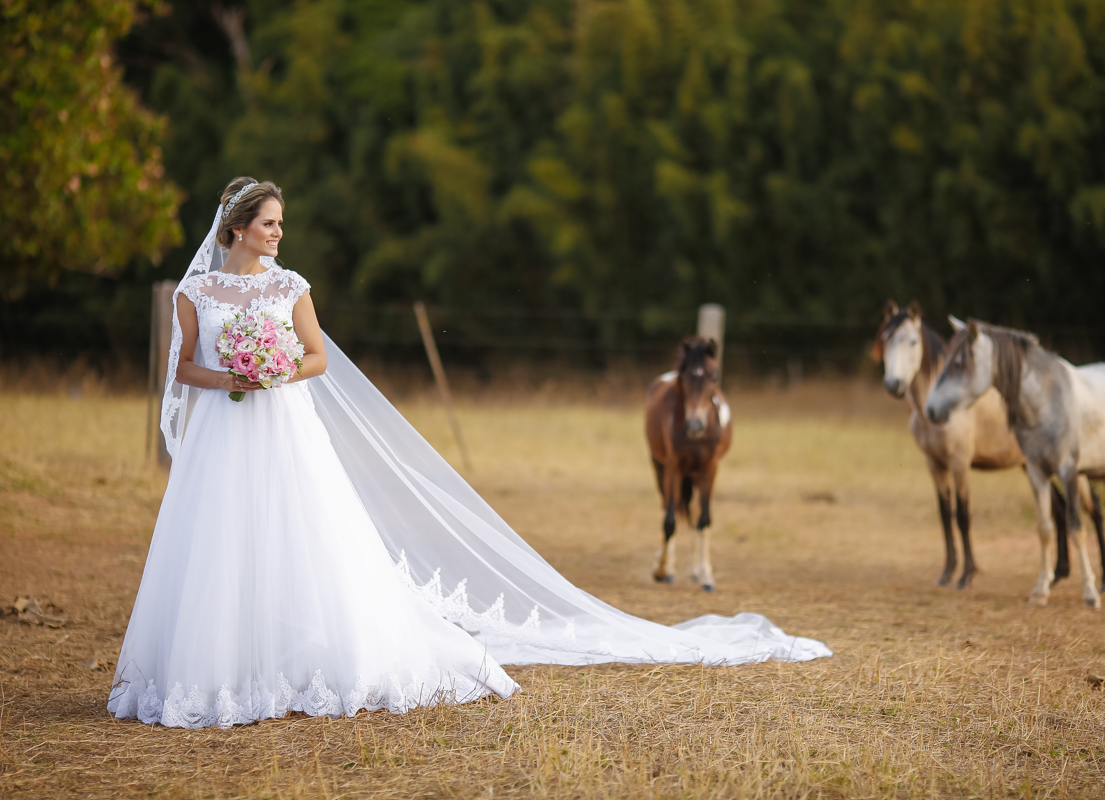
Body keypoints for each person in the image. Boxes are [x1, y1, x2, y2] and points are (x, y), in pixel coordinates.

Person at [108, 177, 831, 729]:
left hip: (282, 429)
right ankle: (218, 666)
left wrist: (273, 371)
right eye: (269, 223)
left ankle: (299, 657)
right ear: (238, 227)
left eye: (280, 223)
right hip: (222, 433)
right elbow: (184, 369)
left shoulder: (291, 287)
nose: (278, 233)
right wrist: (233, 377)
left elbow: (318, 357)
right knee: (219, 539)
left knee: (301, 533)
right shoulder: (196, 292)